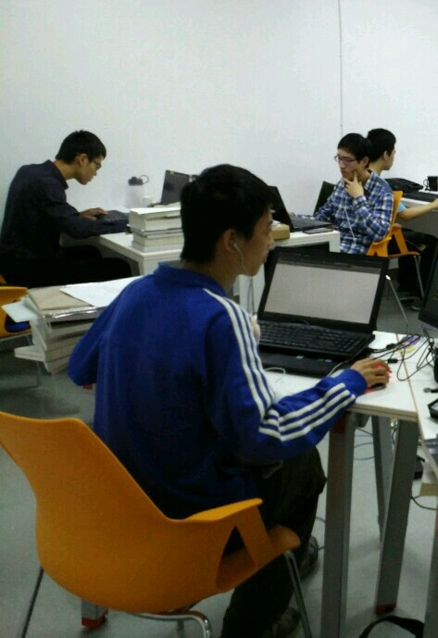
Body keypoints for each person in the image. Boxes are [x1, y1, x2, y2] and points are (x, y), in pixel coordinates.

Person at [67, 164, 389, 638]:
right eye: (266, 231)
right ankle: (252, 622)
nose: (272, 241)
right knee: (303, 467)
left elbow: (81, 367)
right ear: (231, 241)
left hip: (124, 507)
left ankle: (286, 562)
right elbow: (266, 434)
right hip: (194, 521)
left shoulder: (136, 293)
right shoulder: (222, 318)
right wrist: (346, 384)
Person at [0, 130, 131, 287]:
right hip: (27, 271)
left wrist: (76, 216)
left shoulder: (30, 171)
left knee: (91, 252)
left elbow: (46, 214)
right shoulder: (47, 184)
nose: (95, 173)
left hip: (14, 261)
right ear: (82, 159)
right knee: (119, 267)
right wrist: (128, 224)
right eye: (97, 166)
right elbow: (77, 230)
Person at [367, 127, 438, 296]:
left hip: (367, 237)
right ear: (385, 155)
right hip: (379, 242)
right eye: (393, 152)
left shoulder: (360, 177)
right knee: (431, 243)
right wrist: (435, 204)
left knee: (408, 234)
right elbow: (405, 215)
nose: (394, 157)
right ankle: (421, 296)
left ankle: (406, 287)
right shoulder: (381, 185)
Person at [314, 133, 394, 254]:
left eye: (348, 160)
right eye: (339, 158)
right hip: (334, 242)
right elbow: (321, 218)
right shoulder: (342, 185)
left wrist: (358, 198)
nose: (341, 165)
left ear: (364, 161)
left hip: (356, 249)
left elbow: (379, 234)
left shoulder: (382, 190)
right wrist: (293, 219)